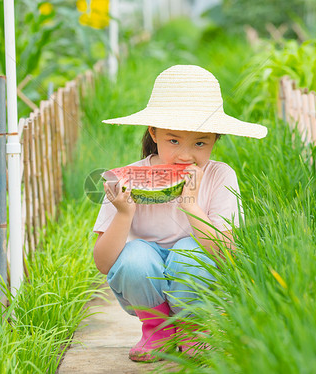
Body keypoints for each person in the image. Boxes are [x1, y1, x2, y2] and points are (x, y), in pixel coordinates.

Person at [92, 65, 267, 362]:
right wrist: (124, 214)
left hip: (198, 278)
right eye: (174, 141)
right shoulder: (126, 179)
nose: (186, 156)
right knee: (135, 256)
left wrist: (190, 205)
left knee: (191, 252)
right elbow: (104, 263)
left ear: (216, 139)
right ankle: (156, 329)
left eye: (200, 143)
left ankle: (192, 325)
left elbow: (227, 254)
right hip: (142, 284)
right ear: (154, 133)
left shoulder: (221, 175)